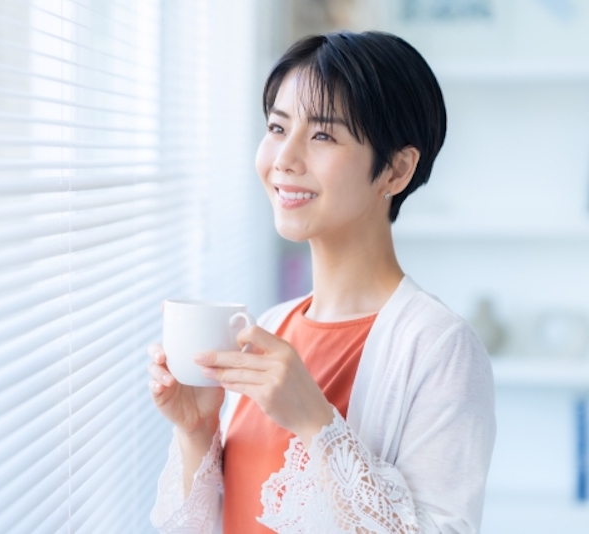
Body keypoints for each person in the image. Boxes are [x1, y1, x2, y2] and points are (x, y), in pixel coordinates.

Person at [147, 31, 496, 534]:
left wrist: (316, 422)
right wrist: (198, 430)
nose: (284, 159)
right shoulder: (267, 326)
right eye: (276, 127)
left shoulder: (440, 348)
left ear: (396, 170)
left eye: (323, 135)